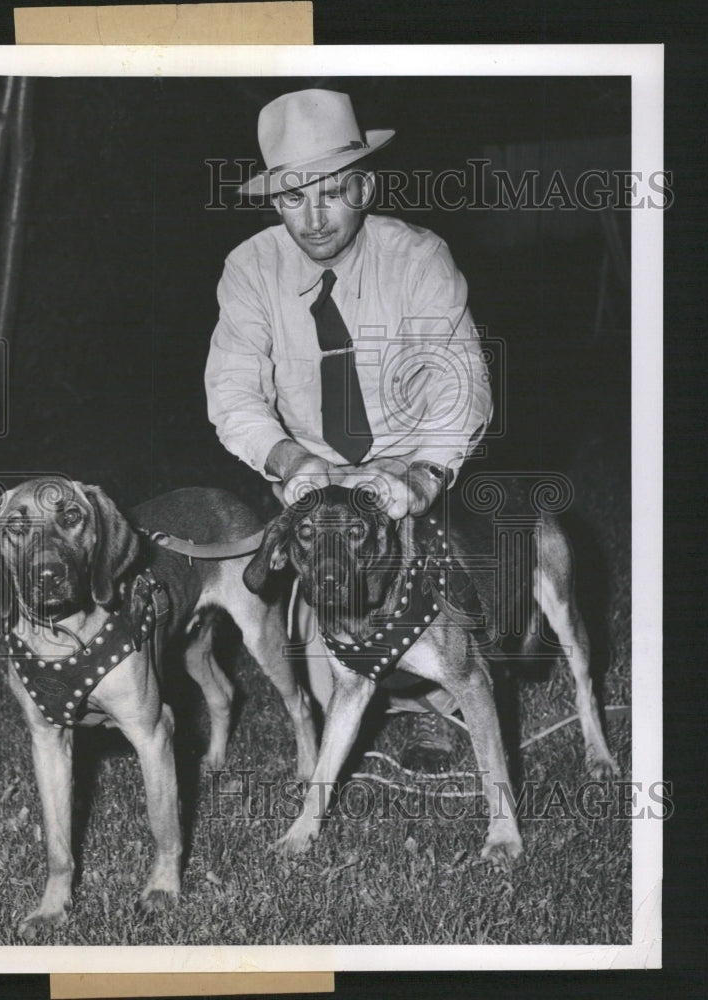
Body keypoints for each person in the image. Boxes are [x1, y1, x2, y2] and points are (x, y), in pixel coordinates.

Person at [205, 89, 492, 765]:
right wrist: (290, 463)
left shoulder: (418, 258)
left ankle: (434, 697)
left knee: (430, 593)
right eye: (293, 197)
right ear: (274, 200)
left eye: (331, 192)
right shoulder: (249, 270)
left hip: (405, 458)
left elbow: (461, 383)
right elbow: (232, 392)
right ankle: (373, 685)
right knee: (329, 660)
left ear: (364, 185)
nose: (313, 217)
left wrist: (418, 476)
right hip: (312, 469)